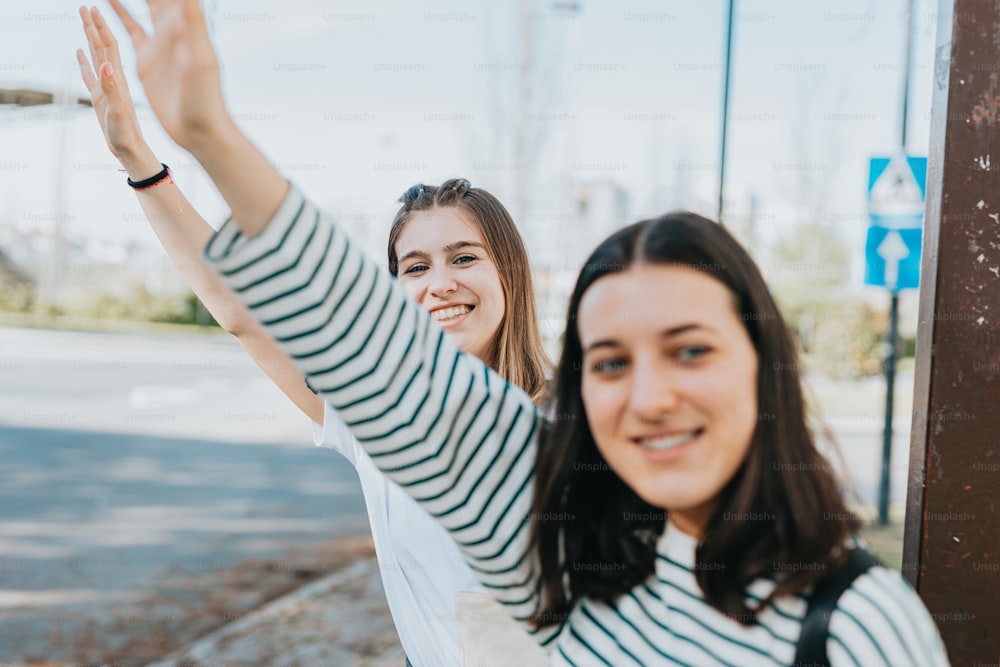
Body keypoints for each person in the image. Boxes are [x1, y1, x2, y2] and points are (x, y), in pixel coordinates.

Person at [90, 0, 951, 664]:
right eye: (610, 361)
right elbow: (340, 323)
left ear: (762, 364)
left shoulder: (857, 625)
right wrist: (191, 145)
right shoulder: (546, 514)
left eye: (690, 348)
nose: (651, 393)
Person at [75, 6, 549, 665]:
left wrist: (212, 135)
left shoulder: (572, 421)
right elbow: (244, 313)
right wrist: (140, 163)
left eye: (464, 257)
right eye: (415, 266)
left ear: (511, 273)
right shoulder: (379, 409)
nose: (438, 282)